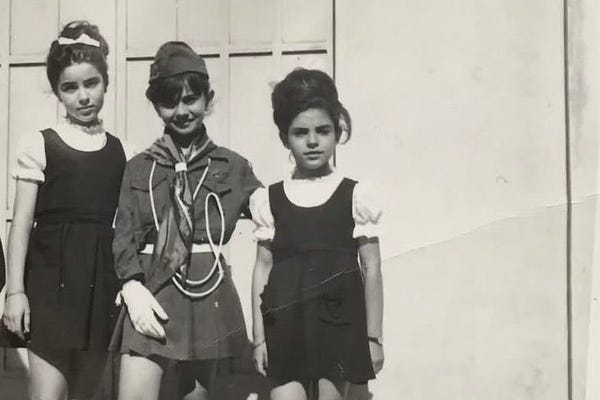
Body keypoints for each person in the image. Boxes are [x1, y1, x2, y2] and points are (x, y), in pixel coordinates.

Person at [111, 41, 262, 400]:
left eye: (191, 99)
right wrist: (131, 286)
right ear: (155, 105)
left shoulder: (233, 166)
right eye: (169, 102)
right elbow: (123, 233)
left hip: (208, 298)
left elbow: (276, 219)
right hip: (151, 294)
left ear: (208, 99)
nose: (181, 111)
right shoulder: (139, 167)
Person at [1, 20, 126, 399]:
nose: (83, 96)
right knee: (47, 395)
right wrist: (15, 292)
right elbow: (21, 224)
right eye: (69, 88)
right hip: (49, 284)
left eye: (91, 83)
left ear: (106, 82)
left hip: (99, 284)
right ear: (57, 91)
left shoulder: (122, 151)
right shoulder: (40, 144)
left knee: (87, 393)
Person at [250, 68, 385, 400]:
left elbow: (372, 268)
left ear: (337, 132)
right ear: (285, 138)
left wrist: (373, 338)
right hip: (285, 322)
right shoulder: (269, 198)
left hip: (340, 323)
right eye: (301, 132)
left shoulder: (355, 195)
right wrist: (259, 338)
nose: (312, 142)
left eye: (322, 131)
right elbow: (263, 267)